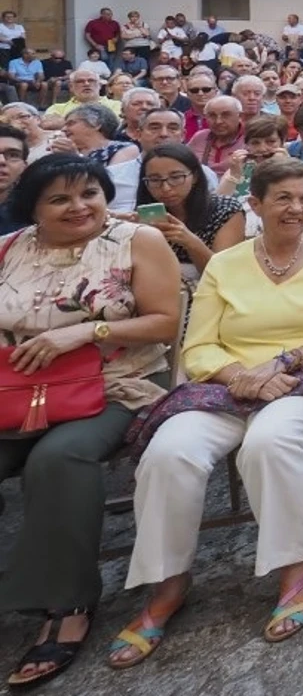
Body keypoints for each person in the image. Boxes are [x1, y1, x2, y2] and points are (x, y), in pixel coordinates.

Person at [113, 157, 303, 665]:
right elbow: (199, 348)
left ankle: (295, 566)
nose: (296, 208)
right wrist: (241, 377)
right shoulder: (225, 265)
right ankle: (168, 582)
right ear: (256, 204)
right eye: (284, 198)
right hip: (229, 382)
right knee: (168, 451)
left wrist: (282, 361)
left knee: (270, 442)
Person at [0, 156, 181, 687]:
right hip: (15, 390)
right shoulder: (9, 249)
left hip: (113, 385)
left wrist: (83, 333)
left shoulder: (136, 241)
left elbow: (166, 322)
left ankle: (68, 603)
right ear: (32, 208)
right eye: (59, 199)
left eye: (89, 194)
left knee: (59, 456)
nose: (79, 207)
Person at [134, 142, 246, 282]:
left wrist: (190, 242)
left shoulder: (225, 210)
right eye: (155, 180)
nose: (166, 188)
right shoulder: (146, 214)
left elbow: (224, 276)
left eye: (176, 177)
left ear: (195, 177)